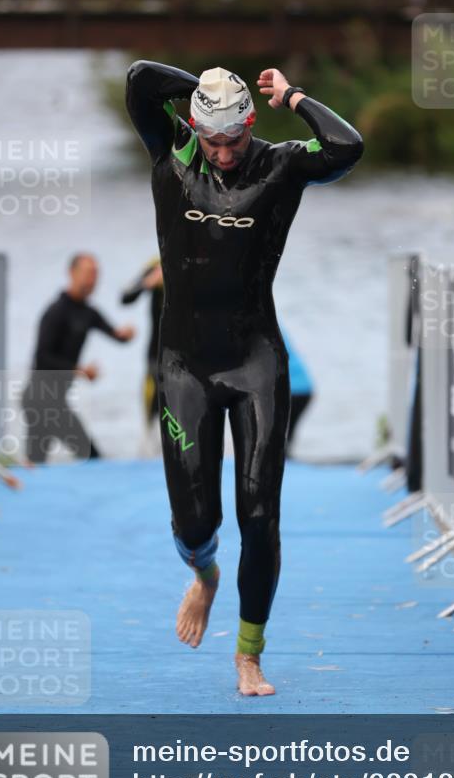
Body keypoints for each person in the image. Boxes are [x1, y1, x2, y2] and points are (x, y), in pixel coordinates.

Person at [126, 61, 363, 696]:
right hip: (184, 367)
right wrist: (205, 93)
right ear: (197, 129)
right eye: (214, 140)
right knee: (195, 525)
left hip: (255, 361)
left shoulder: (280, 165)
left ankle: (249, 656)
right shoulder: (174, 152)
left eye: (234, 138)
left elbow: (347, 148)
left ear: (252, 123)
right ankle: (204, 576)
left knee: (259, 516)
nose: (225, 153)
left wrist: (295, 97)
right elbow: (140, 79)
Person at [22, 254, 135, 463]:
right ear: (72, 273)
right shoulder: (55, 312)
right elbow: (42, 357)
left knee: (37, 461)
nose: (92, 280)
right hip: (40, 400)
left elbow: (115, 335)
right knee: (90, 456)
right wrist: (79, 370)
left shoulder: (88, 313)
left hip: (54, 400)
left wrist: (126, 335)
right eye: (88, 273)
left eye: (95, 275)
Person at [120, 258, 164, 452]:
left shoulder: (195, 263)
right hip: (157, 353)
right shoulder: (156, 264)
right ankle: (151, 451)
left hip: (190, 354)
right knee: (153, 408)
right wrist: (148, 282)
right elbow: (125, 298)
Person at [280, 327, 314, 456]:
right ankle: (286, 458)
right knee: (284, 437)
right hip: (304, 388)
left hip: (290, 390)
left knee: (276, 437)